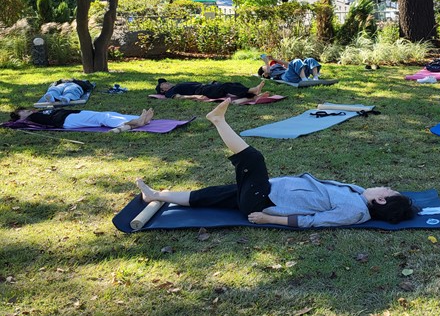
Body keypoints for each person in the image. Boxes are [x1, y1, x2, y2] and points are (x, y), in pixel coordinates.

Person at [135, 99, 417, 228]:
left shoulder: (354, 211)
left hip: (262, 201)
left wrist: (270, 219)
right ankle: (156, 195)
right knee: (212, 195)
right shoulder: (358, 194)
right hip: (269, 190)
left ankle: (218, 120)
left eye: (387, 189)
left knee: (253, 158)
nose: (383, 185)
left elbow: (311, 221)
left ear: (381, 200)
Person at [9, 107, 154, 133]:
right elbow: (12, 124)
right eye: (25, 113)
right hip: (66, 120)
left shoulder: (36, 114)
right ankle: (133, 122)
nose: (29, 112)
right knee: (101, 118)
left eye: (27, 110)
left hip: (71, 115)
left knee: (107, 113)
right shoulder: (32, 118)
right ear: (21, 117)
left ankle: (138, 119)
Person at [156, 79, 267, 102]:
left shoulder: (177, 85)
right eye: (163, 84)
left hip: (206, 87)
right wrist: (195, 97)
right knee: (226, 86)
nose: (166, 83)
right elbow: (178, 97)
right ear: (162, 90)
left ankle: (252, 95)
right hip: (203, 91)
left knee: (234, 84)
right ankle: (253, 90)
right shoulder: (170, 92)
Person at [257, 54, 321, 84]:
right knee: (296, 61)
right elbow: (268, 72)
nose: (267, 66)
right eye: (265, 67)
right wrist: (266, 62)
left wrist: (273, 59)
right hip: (288, 76)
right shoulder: (267, 74)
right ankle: (304, 80)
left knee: (310, 60)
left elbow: (288, 64)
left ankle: (315, 78)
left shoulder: (275, 66)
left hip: (295, 73)